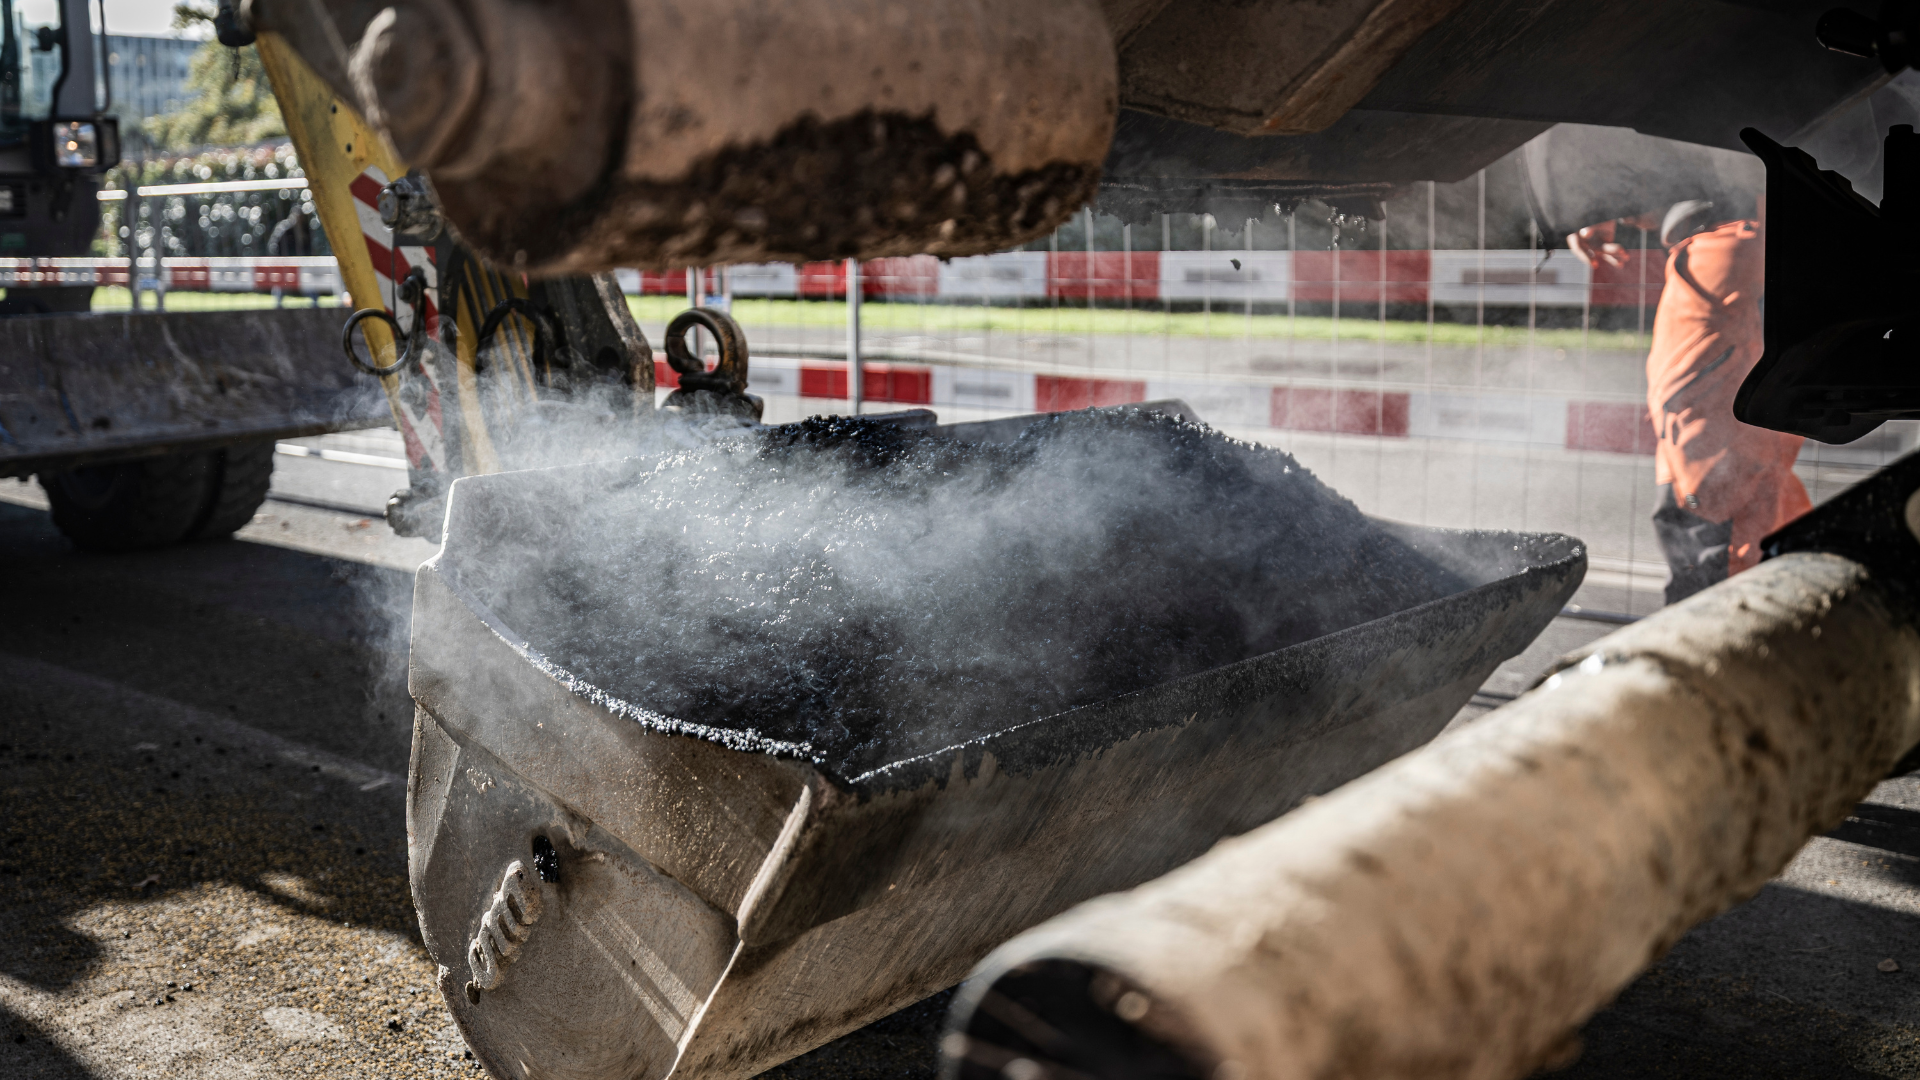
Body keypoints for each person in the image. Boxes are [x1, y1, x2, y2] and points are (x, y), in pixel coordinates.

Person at [1568, 200, 1810, 605]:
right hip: (1716, 476)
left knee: (1715, 587)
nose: (1632, 220)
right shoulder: (1723, 254)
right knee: (1726, 590)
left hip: (1707, 475)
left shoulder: (1714, 258)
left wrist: (1596, 214)